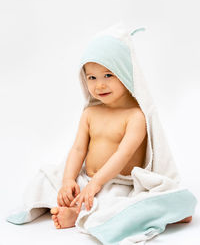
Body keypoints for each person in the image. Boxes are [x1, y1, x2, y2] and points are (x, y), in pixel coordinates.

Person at [50, 28, 192, 229]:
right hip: (88, 179)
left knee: (120, 204)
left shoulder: (135, 116)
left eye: (108, 75)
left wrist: (97, 183)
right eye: (92, 77)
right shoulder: (90, 113)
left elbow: (122, 155)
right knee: (48, 181)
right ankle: (76, 206)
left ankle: (78, 214)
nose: (100, 85)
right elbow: (78, 149)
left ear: (125, 74)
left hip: (119, 184)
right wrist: (68, 180)